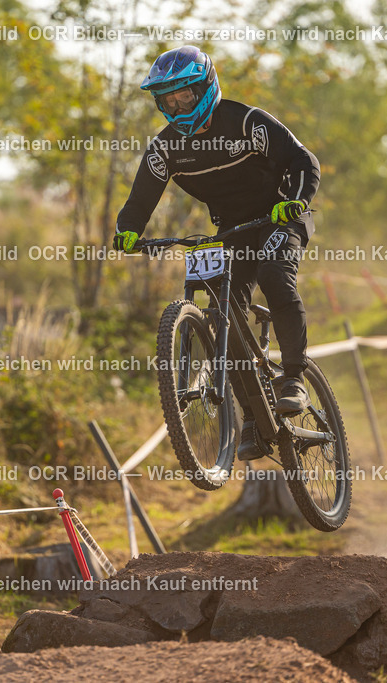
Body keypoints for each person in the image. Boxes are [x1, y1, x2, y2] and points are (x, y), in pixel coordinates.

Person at [113, 45, 320, 461]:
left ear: (206, 87)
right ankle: (252, 417)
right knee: (223, 313)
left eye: (184, 96)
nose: (176, 105)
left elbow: (303, 160)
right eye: (167, 100)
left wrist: (294, 201)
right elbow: (139, 200)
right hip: (233, 232)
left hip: (280, 215)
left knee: (275, 277)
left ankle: (294, 379)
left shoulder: (246, 121)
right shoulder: (165, 148)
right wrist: (128, 232)